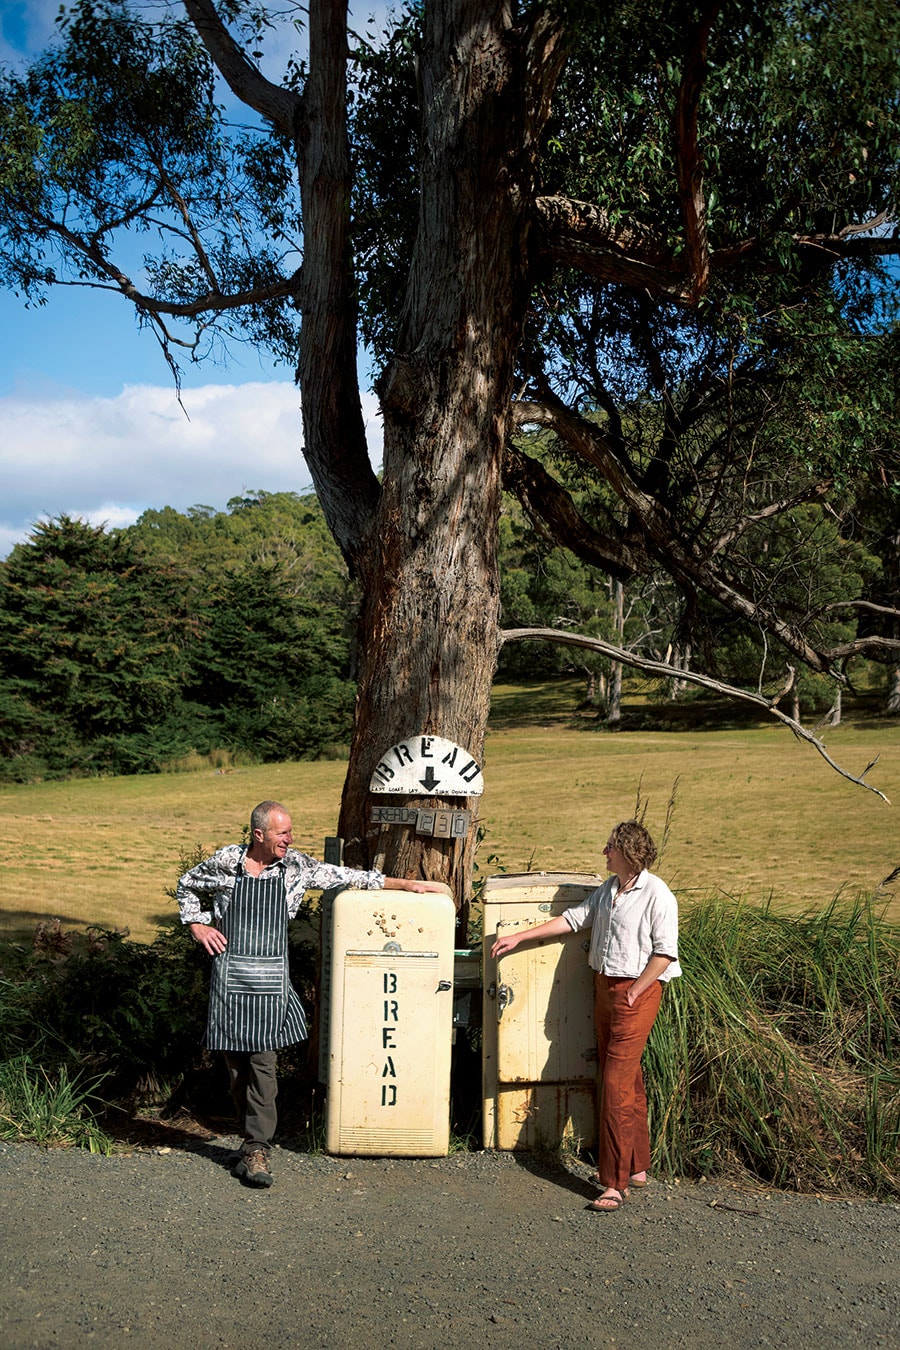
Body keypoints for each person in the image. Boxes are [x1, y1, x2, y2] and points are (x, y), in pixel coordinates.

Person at [177, 799, 445, 1188]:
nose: (290, 838)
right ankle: (249, 1139)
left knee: (262, 1064)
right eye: (282, 833)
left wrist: (406, 885)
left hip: (269, 982)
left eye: (289, 832)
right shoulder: (224, 863)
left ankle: (257, 1148)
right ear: (258, 835)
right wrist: (198, 925)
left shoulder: (295, 868)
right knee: (236, 1068)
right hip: (231, 978)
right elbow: (186, 884)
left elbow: (346, 876)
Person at [491, 819, 680, 1213]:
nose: (604, 852)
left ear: (628, 852)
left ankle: (614, 1183)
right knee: (630, 1079)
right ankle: (637, 1165)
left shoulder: (657, 894)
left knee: (614, 1083)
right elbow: (574, 919)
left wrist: (633, 991)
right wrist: (518, 937)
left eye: (610, 846)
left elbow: (665, 953)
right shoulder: (609, 890)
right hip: (604, 989)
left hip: (636, 993)